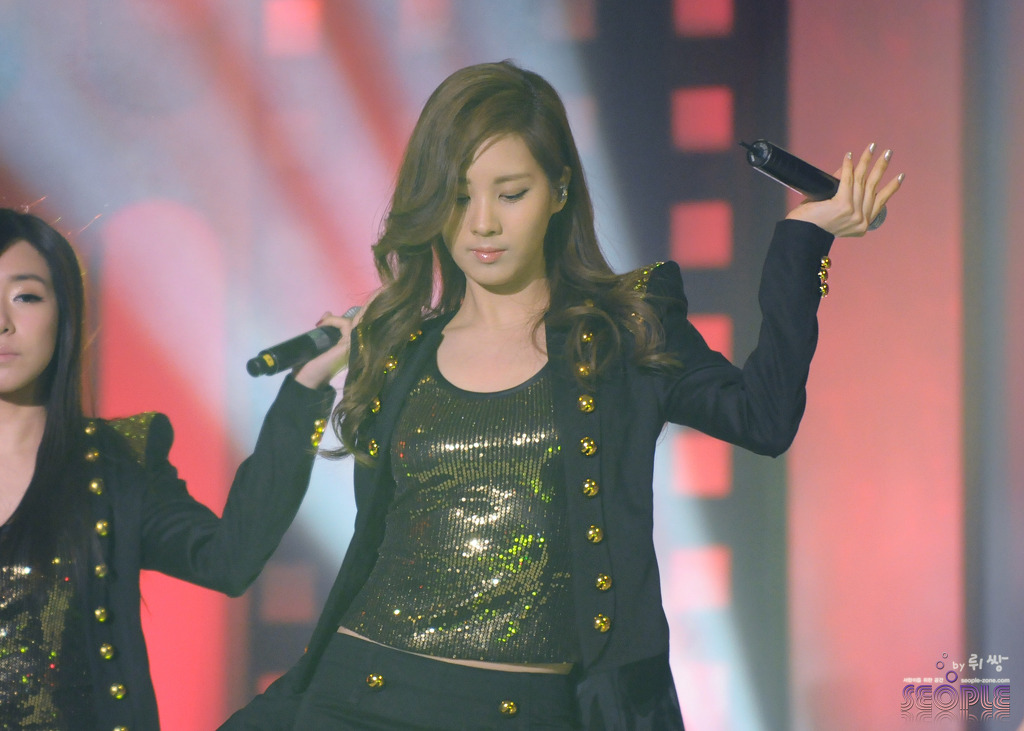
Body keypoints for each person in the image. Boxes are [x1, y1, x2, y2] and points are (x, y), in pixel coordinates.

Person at [221, 60, 903, 730]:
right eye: (458, 197)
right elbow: (271, 545)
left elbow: (764, 417)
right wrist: (308, 384)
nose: (482, 224)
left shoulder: (624, 334)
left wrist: (805, 243)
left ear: (559, 189)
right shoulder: (403, 348)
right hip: (358, 694)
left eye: (510, 193)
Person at [0, 208, 353, 729]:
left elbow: (228, 559)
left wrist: (305, 390)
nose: (3, 322)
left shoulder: (114, 464)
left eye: (25, 296)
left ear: (64, 312)